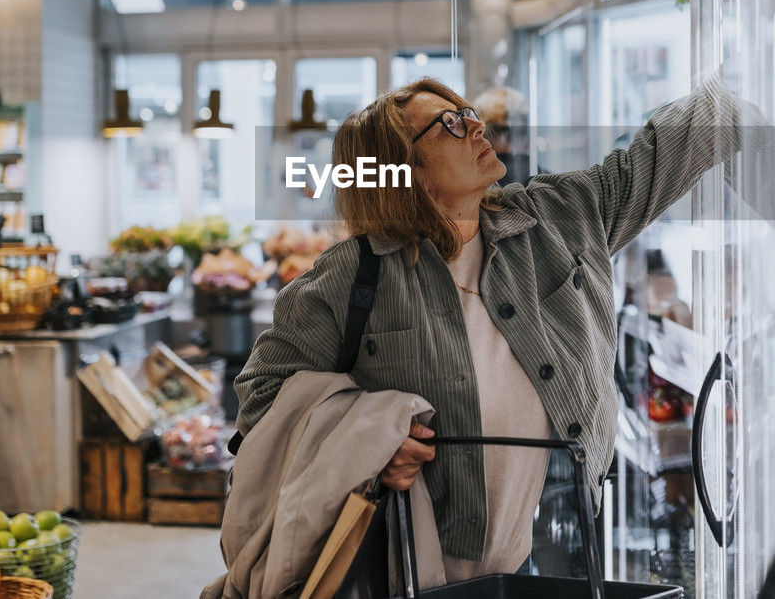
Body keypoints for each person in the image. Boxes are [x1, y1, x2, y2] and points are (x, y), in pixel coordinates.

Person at [234, 76, 747, 581]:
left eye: (469, 114)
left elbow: (651, 163)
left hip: (557, 539)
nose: (477, 128)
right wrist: (368, 441)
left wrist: (737, 83)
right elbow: (262, 401)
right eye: (450, 124)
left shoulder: (554, 220)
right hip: (414, 565)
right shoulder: (353, 276)